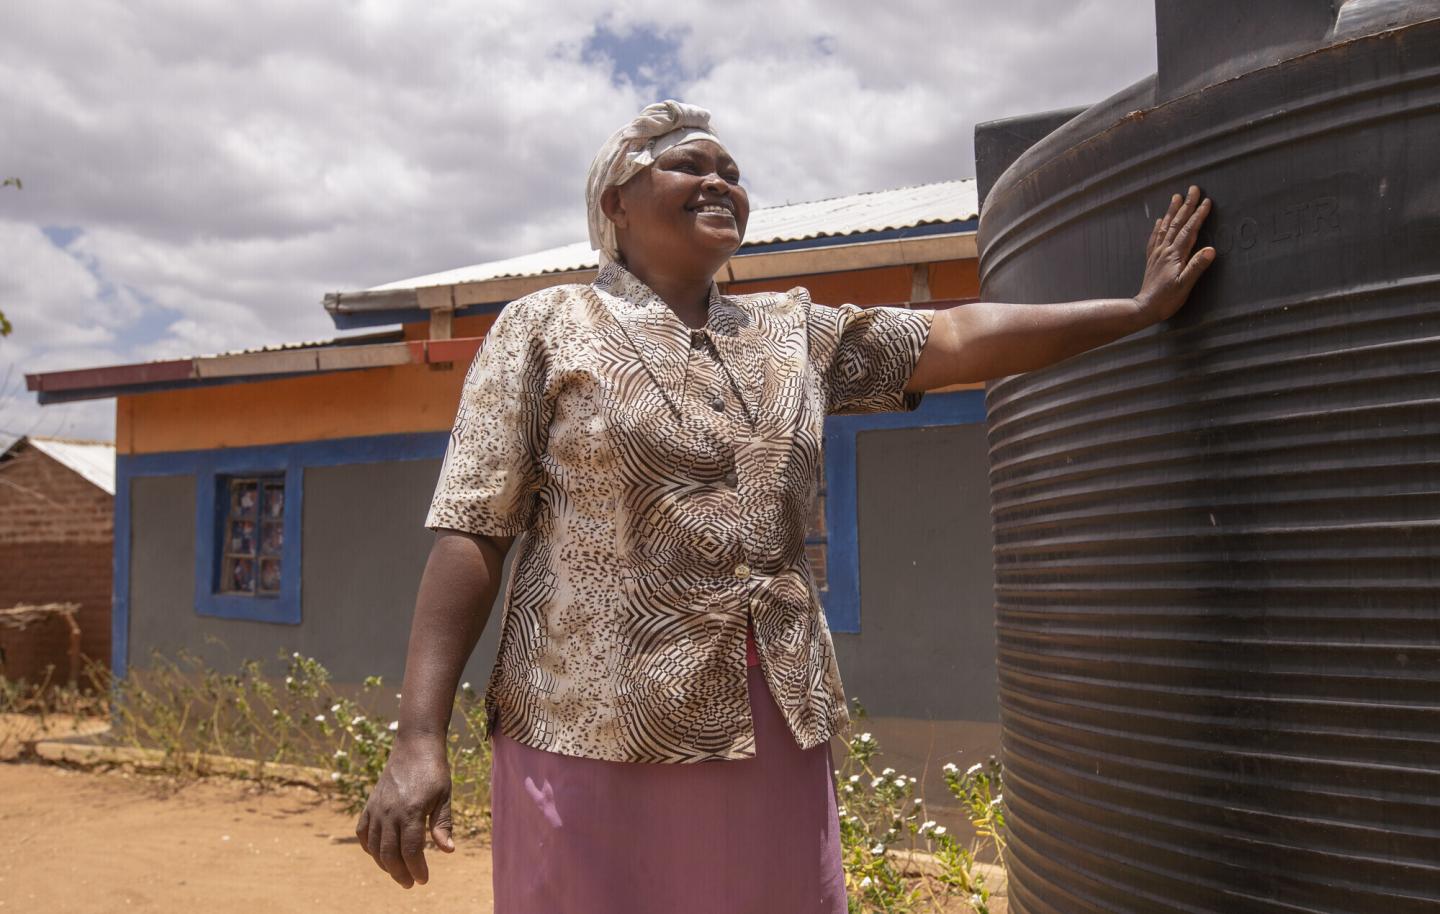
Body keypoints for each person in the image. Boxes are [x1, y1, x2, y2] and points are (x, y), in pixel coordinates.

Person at [355, 100, 1214, 912]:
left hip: (770, 718)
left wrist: (1137, 311)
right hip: (587, 718)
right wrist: (419, 734)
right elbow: (474, 524)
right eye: (690, 165)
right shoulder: (545, 326)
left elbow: (953, 340)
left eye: (733, 170)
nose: (721, 180)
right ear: (615, 201)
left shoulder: (790, 333)